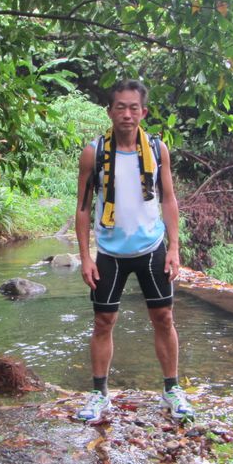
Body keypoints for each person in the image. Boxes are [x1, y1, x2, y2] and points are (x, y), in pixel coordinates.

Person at [74, 79, 191, 423]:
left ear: (144, 112)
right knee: (103, 321)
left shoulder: (157, 149)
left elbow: (168, 199)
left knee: (164, 318)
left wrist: (174, 247)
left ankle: (172, 389)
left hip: (151, 248)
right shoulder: (94, 152)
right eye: (120, 107)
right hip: (110, 251)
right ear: (110, 111)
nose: (127, 114)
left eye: (133, 108)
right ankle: (99, 394)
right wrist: (85, 256)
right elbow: (83, 208)